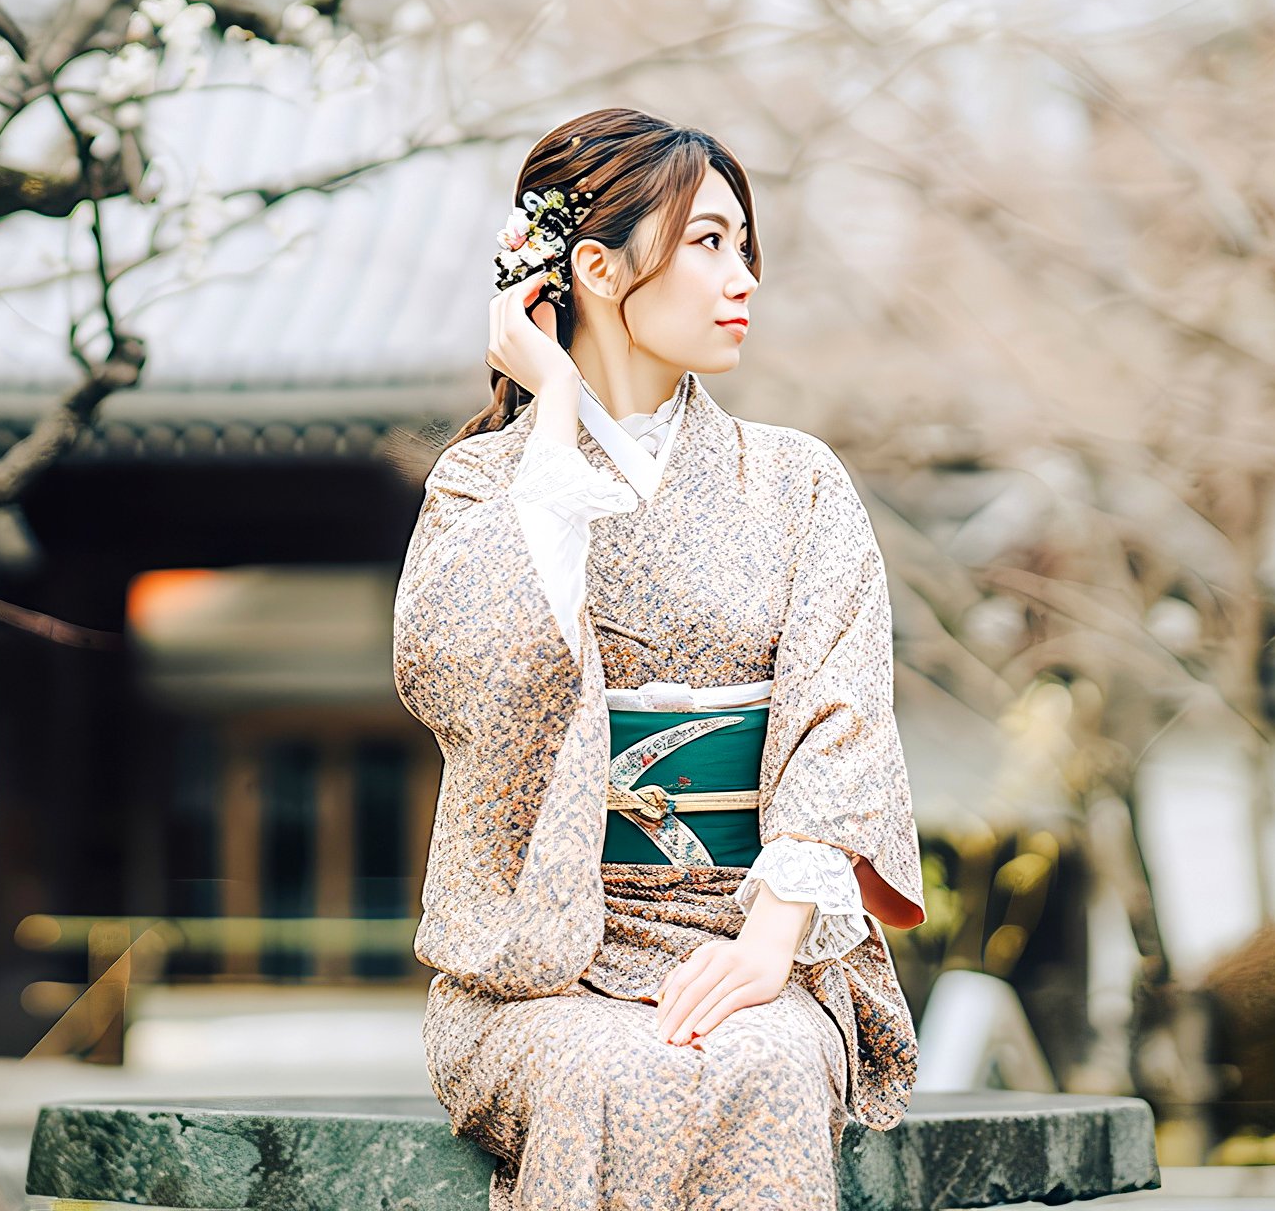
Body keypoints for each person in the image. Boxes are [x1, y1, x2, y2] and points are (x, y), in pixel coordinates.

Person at [393, 106, 926, 1210]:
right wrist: (550, 415)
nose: (742, 278)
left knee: (767, 1066)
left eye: (745, 245)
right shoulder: (485, 486)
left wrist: (771, 944)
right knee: (608, 1072)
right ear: (594, 265)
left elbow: (843, 721)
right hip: (542, 966)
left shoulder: (797, 482)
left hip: (747, 935)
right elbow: (472, 679)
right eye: (707, 242)